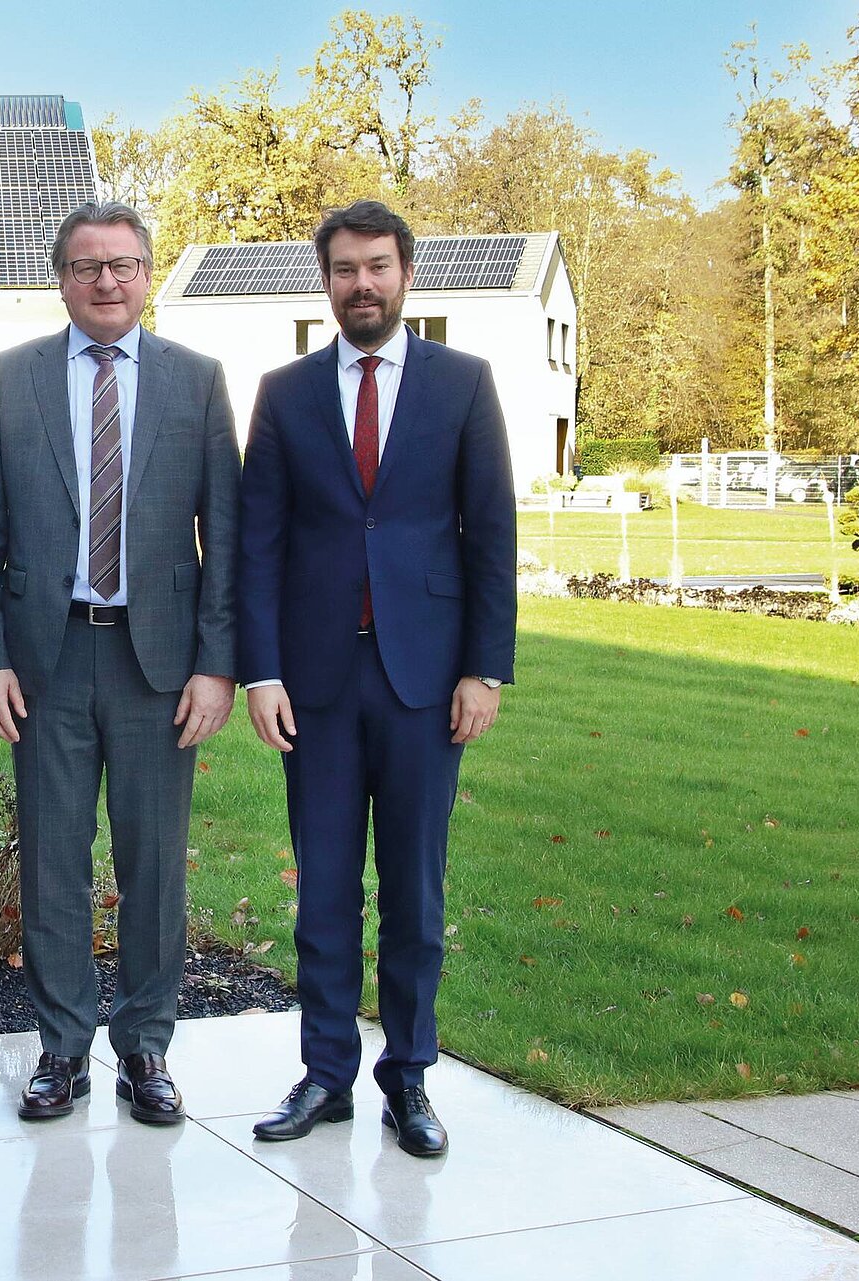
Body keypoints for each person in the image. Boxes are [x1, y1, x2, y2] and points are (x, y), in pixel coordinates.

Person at [239, 200, 516, 1158]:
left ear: (406, 274)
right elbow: (258, 542)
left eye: (379, 266)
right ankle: (326, 1074)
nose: (363, 283)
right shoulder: (284, 391)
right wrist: (259, 671)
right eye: (345, 269)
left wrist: (484, 667)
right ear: (326, 282)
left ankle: (410, 1078)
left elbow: (491, 534)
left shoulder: (463, 385)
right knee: (323, 888)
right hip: (313, 681)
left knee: (414, 891)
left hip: (425, 683)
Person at [0, 201, 240, 1126]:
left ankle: (147, 1045)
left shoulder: (197, 381)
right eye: (87, 267)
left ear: (149, 273)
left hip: (157, 662)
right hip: (45, 656)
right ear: (62, 278)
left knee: (153, 860)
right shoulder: (11, 378)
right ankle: (62, 1046)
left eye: (123, 264)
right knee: (52, 859)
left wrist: (217, 663)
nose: (106, 281)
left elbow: (225, 536)